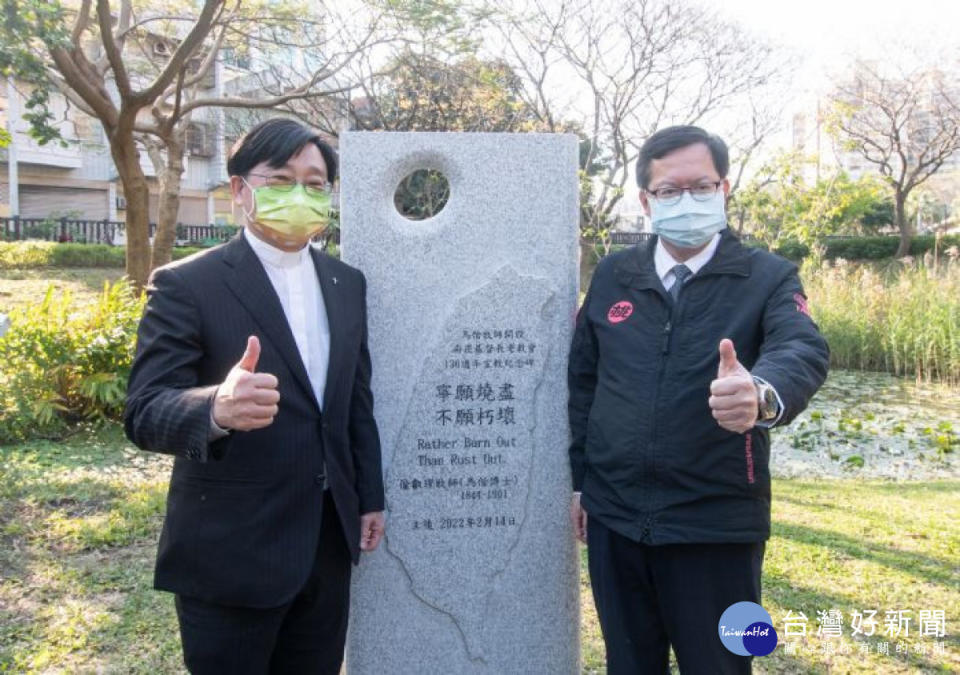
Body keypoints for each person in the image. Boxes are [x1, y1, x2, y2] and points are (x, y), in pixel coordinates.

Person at [124, 118, 385, 674]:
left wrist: (369, 495)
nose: (301, 194)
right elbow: (144, 410)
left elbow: (353, 401)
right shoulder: (187, 284)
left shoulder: (347, 284)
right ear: (241, 189)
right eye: (282, 178)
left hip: (326, 543)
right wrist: (216, 407)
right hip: (231, 552)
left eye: (315, 184)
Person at [568, 125, 829, 674]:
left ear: (724, 189)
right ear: (645, 200)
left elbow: (802, 347)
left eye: (701, 187)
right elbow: (584, 384)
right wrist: (580, 482)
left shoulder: (766, 276)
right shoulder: (616, 275)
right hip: (616, 520)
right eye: (669, 191)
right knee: (630, 665)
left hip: (718, 523)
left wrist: (759, 393)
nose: (686, 201)